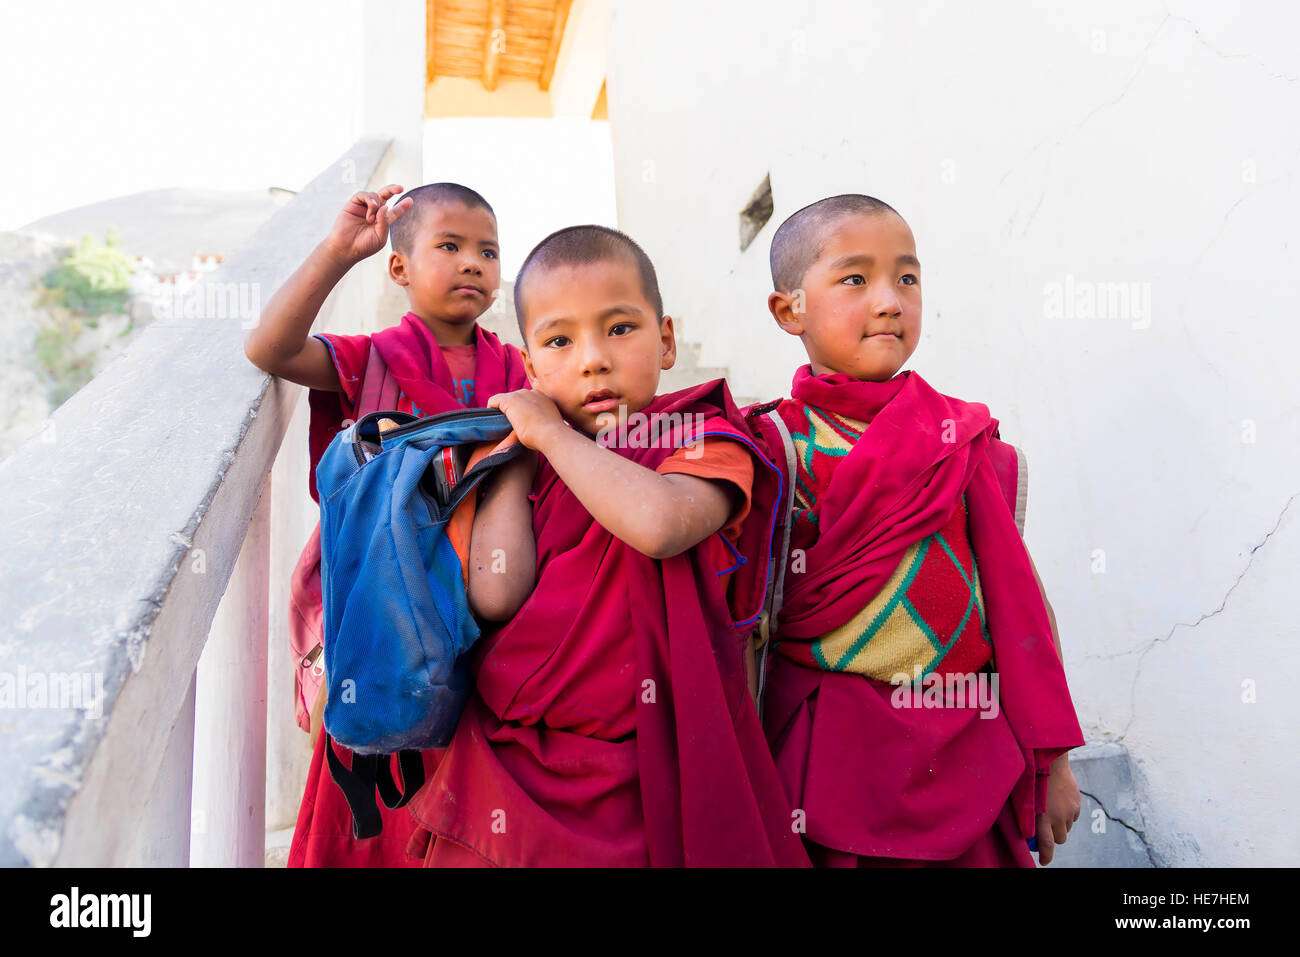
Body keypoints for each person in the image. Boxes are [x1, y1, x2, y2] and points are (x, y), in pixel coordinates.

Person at [403, 225, 810, 866]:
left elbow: (659, 523)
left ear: (667, 340)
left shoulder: (708, 439)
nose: (593, 358)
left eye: (620, 329)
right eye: (560, 340)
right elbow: (497, 591)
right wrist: (513, 461)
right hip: (511, 760)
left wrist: (552, 439)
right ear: (531, 368)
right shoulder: (525, 461)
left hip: (640, 769)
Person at [759, 194, 1084, 867]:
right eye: (855, 279)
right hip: (832, 755)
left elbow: (1019, 602)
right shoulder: (773, 446)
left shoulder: (955, 437)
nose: (889, 300)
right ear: (790, 309)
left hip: (966, 740)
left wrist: (1052, 758)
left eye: (907, 278)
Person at [243, 181, 529, 867]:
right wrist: (340, 252)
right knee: (370, 757)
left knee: (462, 760)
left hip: (474, 602)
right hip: (380, 602)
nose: (473, 264)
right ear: (398, 268)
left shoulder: (518, 370)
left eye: (488, 252)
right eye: (450, 246)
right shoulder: (368, 359)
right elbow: (270, 348)